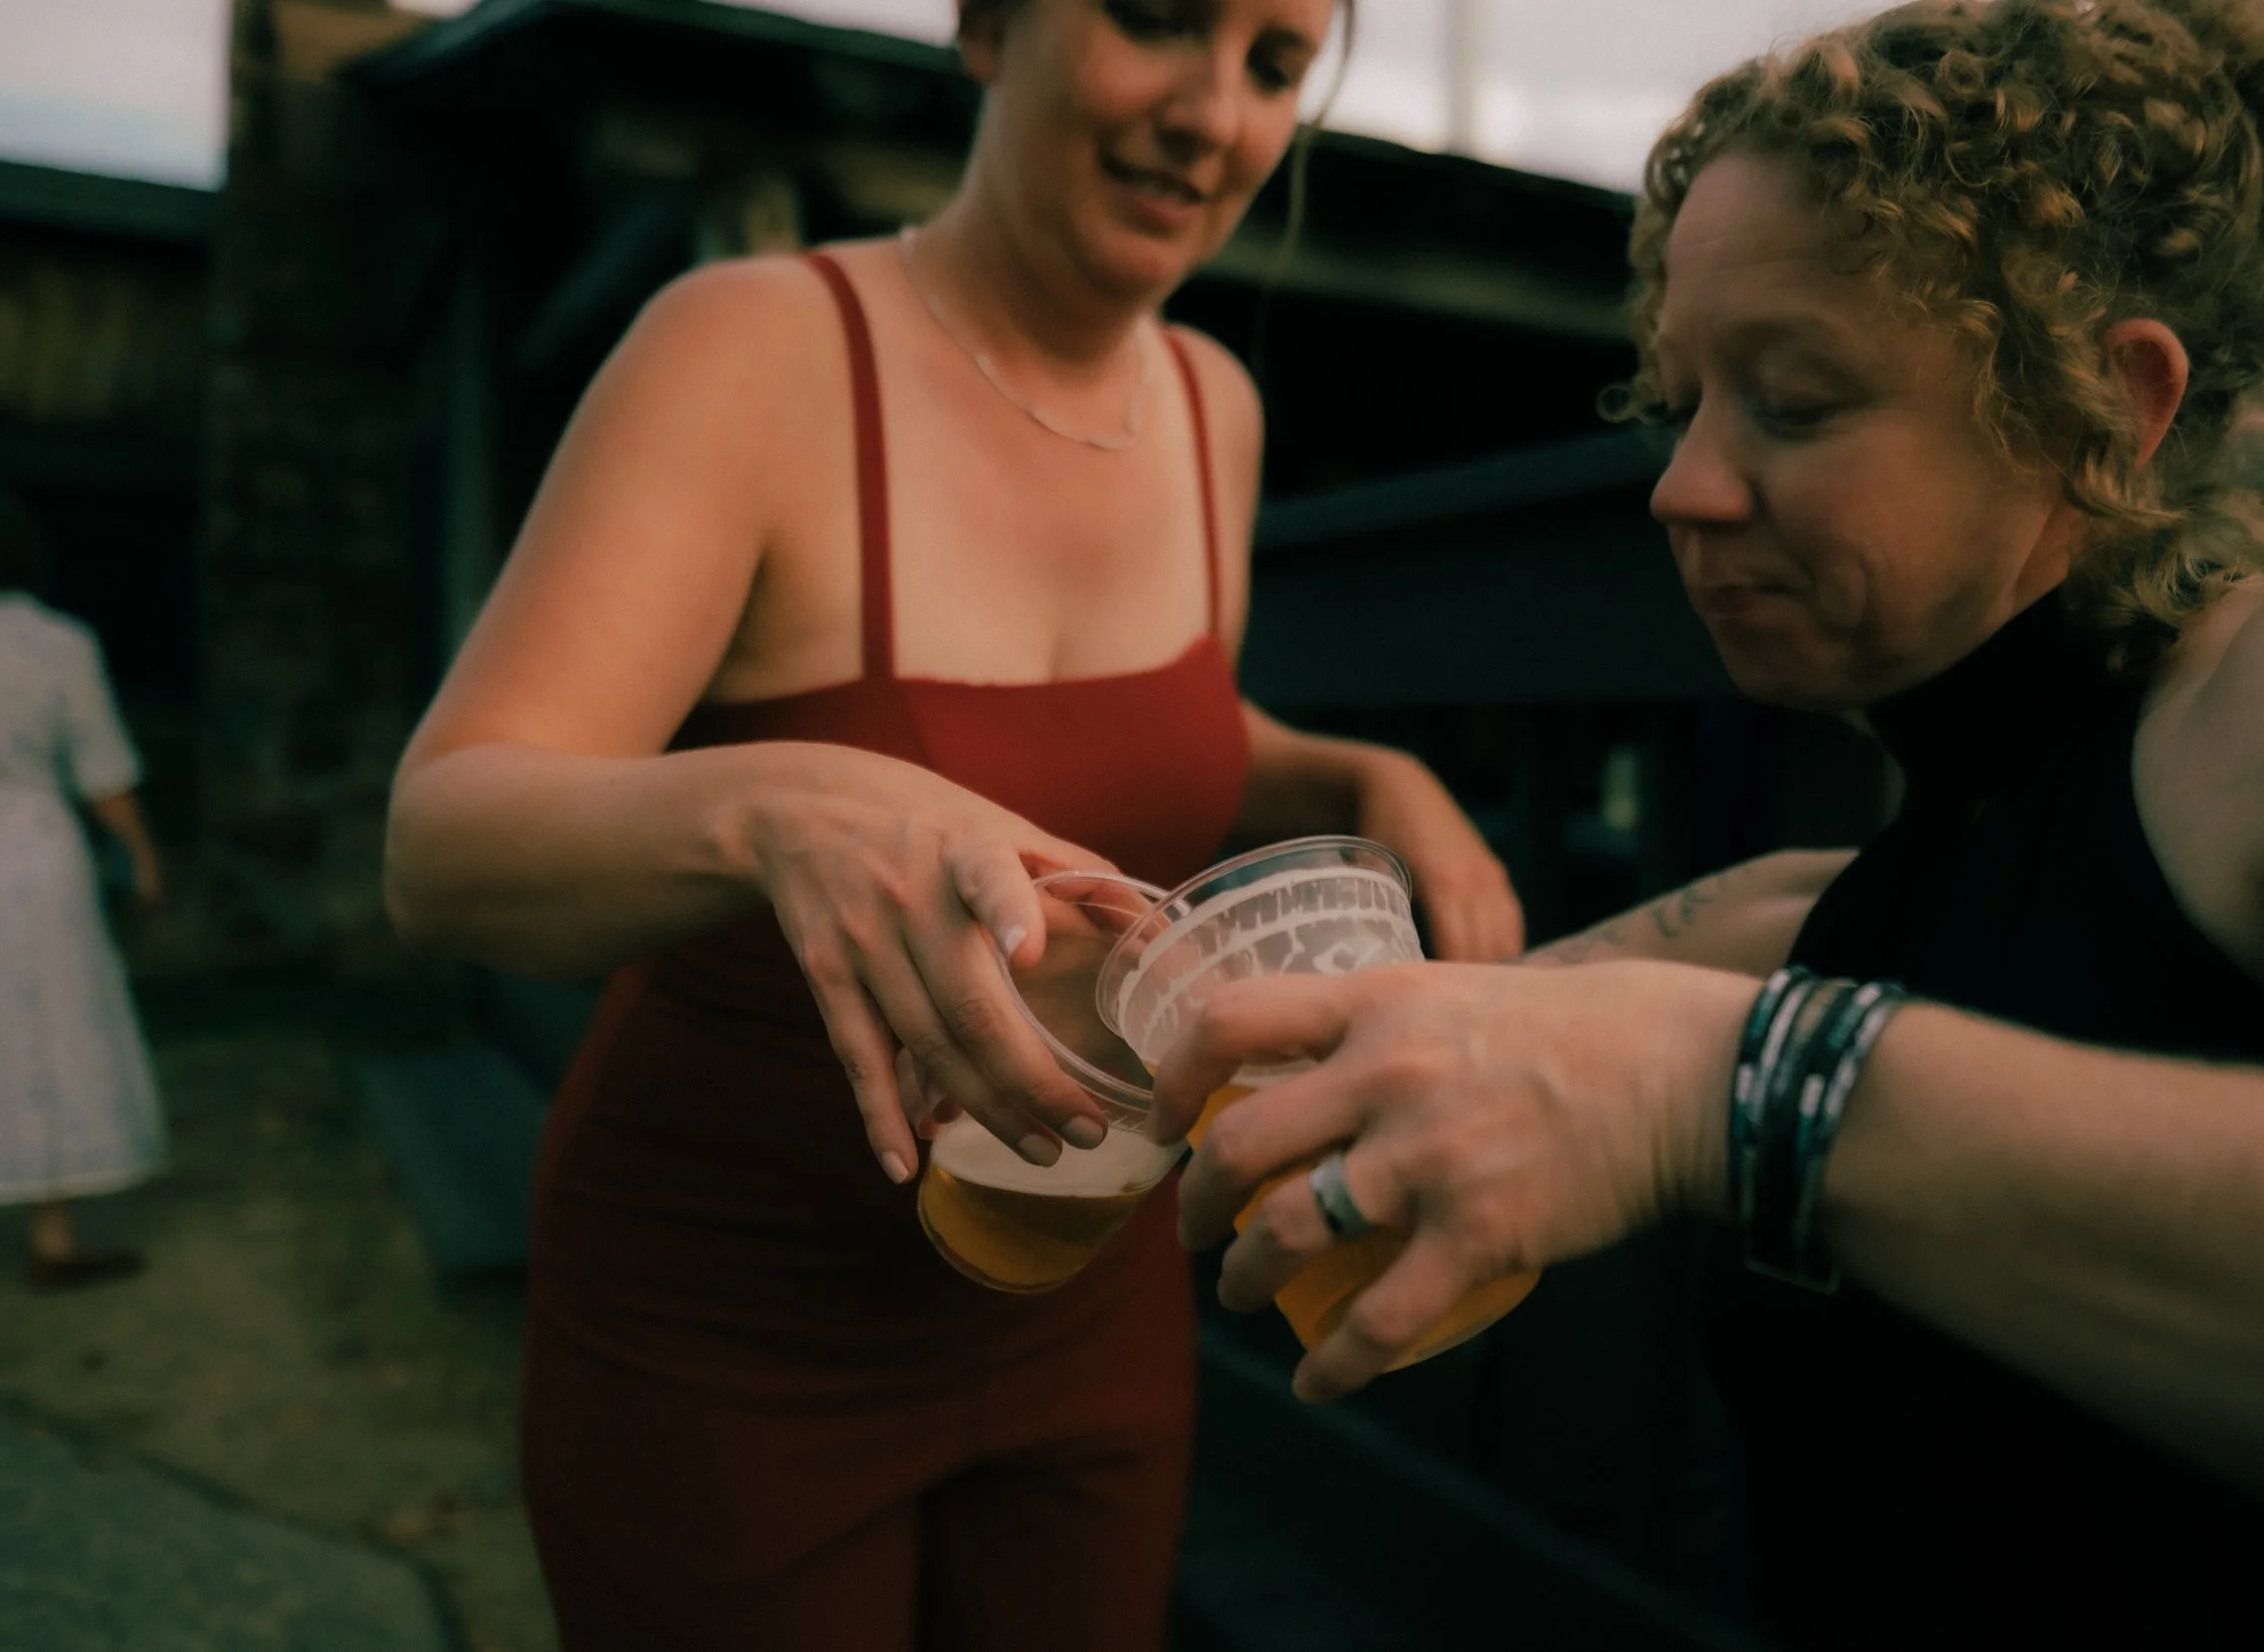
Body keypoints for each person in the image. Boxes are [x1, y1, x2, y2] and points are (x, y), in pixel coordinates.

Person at [1149, 1, 2264, 1646]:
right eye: (1684, 399)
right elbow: (1514, 1030)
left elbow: (1700, 1059)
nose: (1682, 486)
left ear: (2111, 407)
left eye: (1798, 401)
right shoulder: (1841, 901)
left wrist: (1746, 1097)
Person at [383, 0, 1521, 1646]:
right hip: (729, 1319)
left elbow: (1145, 731)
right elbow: (441, 843)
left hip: (1089, 1289)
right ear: (989, 24)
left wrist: (1354, 776)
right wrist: (775, 799)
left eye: (1275, 64)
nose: (1212, 111)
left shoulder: (1214, 405)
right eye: (1158, 19)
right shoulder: (746, 348)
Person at [0, 490, 167, 1291]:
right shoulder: (60, 643)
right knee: (47, 1030)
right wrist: (144, 856)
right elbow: (102, 769)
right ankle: (53, 1240)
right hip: (37, 855)